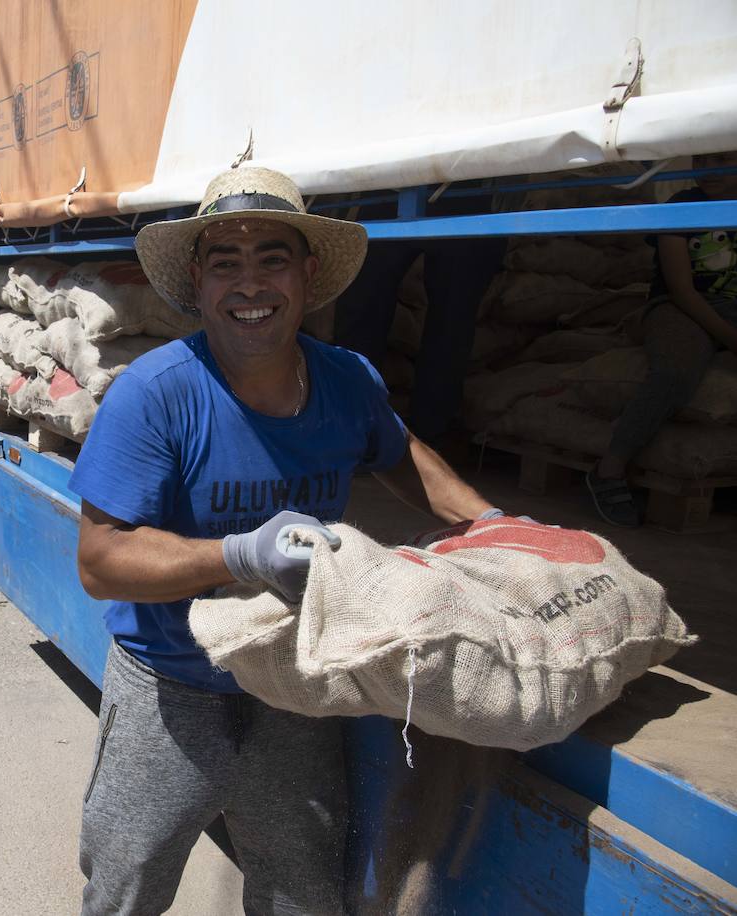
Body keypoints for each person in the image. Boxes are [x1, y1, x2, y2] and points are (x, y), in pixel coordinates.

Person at [70, 166, 498, 914]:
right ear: (197, 281)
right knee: (124, 886)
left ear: (306, 275)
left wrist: (495, 530)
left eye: (272, 259)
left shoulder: (346, 380)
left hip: (292, 686)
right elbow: (101, 560)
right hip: (171, 690)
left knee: (301, 890)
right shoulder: (156, 393)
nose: (250, 284)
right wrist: (236, 557)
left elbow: (403, 458)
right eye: (226, 264)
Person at [586, 151, 737, 526]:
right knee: (675, 371)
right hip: (680, 306)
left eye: (723, 159)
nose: (710, 170)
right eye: (702, 161)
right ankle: (608, 469)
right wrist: (729, 338)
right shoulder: (684, 204)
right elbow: (682, 289)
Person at [332, 183, 510, 447]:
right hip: (393, 180)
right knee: (361, 307)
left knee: (453, 319)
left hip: (466, 182)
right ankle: (352, 428)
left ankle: (428, 436)